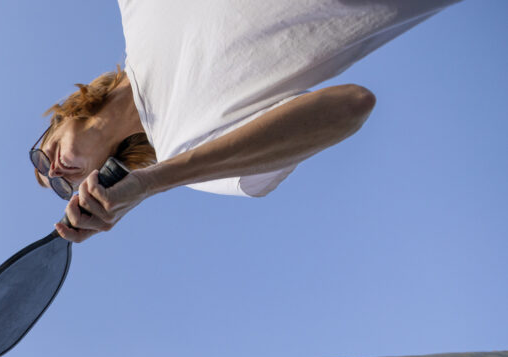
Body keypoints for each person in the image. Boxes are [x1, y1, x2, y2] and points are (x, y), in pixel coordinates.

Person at [31, 0, 462, 245]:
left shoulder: (138, 10)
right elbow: (350, 106)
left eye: (42, 156)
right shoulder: (195, 161)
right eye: (58, 186)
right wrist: (153, 181)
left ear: (61, 116)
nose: (54, 172)